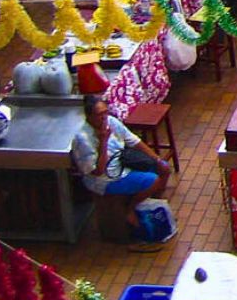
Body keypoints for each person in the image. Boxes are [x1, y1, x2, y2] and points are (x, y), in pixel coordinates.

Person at [72, 96, 171, 227]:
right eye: (99, 115)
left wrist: (157, 159)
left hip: (122, 164)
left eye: (105, 112)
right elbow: (98, 171)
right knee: (154, 180)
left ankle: (152, 202)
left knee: (164, 169)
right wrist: (103, 142)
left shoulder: (111, 121)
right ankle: (130, 209)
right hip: (105, 180)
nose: (104, 117)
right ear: (88, 116)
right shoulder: (82, 139)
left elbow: (133, 141)